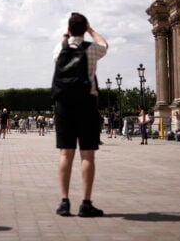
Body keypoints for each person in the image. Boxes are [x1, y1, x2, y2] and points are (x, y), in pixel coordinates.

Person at [53, 12, 108, 217]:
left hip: (64, 105)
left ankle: (64, 201)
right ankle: (86, 203)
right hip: (87, 103)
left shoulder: (60, 48)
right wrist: (91, 30)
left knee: (66, 153)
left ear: (68, 29)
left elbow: (59, 51)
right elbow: (105, 44)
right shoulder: (92, 49)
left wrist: (65, 37)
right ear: (84, 28)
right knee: (87, 154)